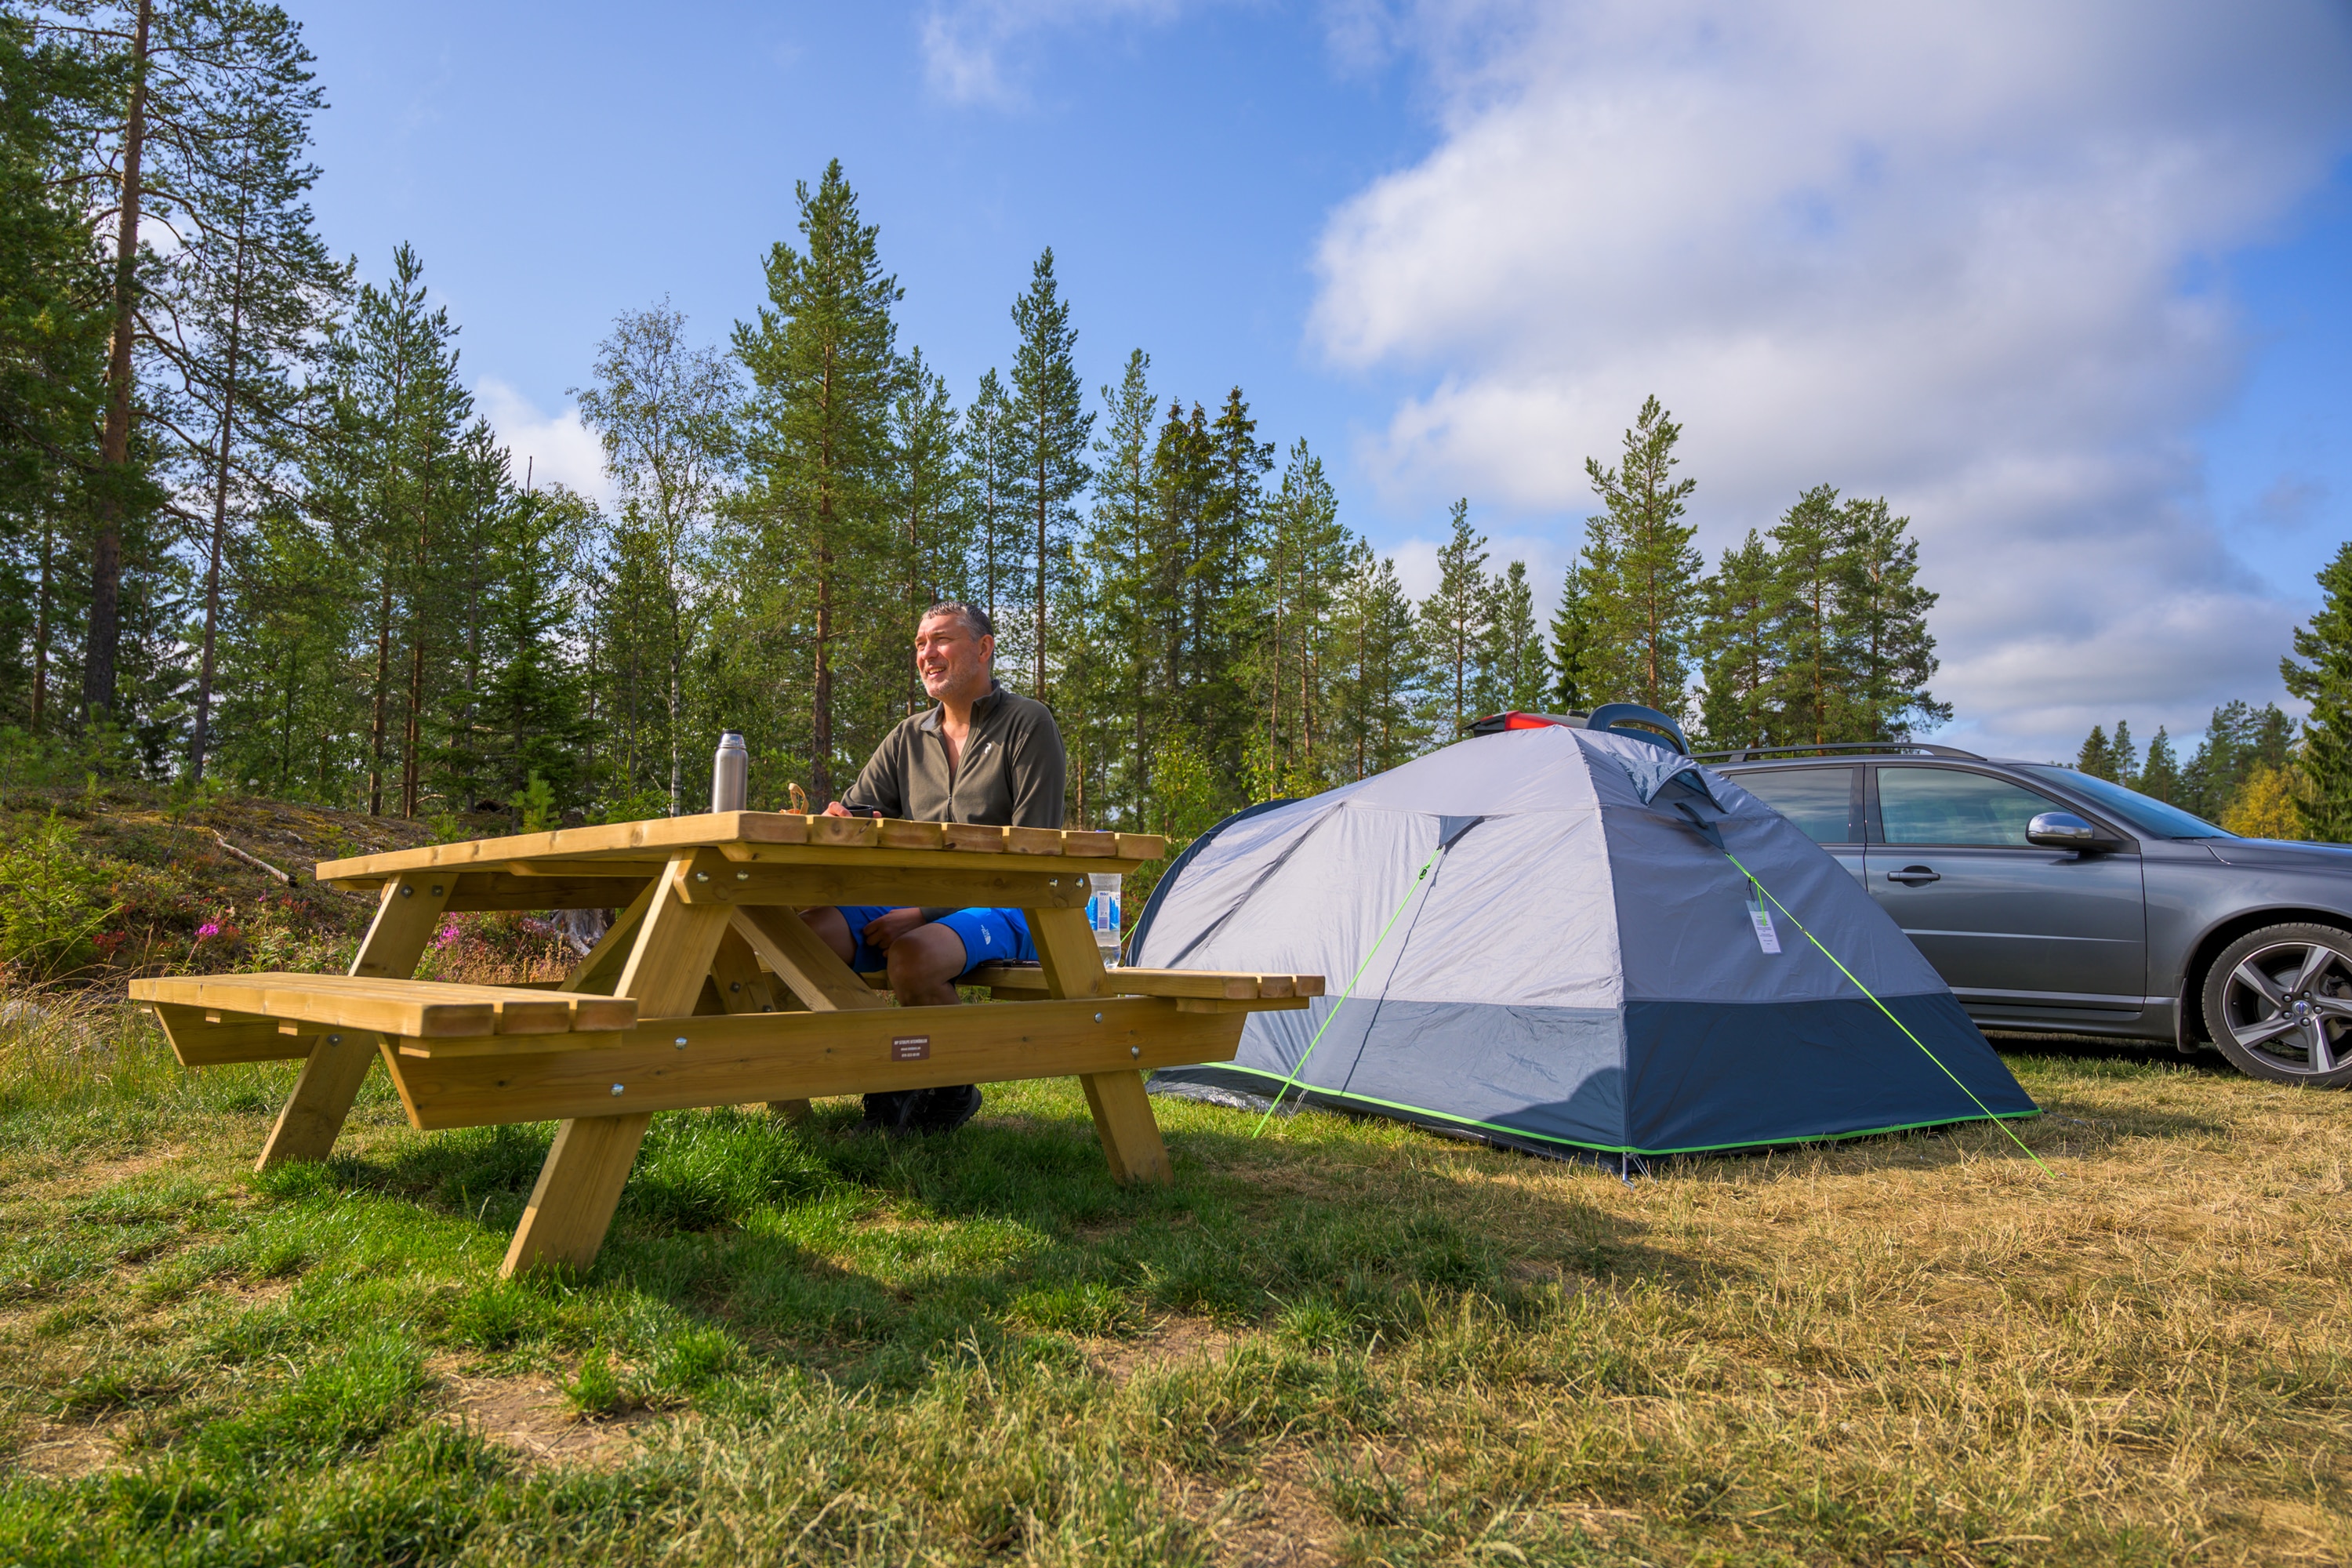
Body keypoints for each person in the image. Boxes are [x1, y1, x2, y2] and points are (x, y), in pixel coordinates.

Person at [801, 600, 1065, 1134]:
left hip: (1014, 904)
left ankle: (948, 1090)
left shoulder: (1027, 724)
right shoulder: (908, 736)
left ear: (984, 648)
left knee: (913, 957)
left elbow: (1033, 851)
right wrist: (840, 816)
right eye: (921, 644)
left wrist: (923, 912)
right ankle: (892, 1070)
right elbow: (860, 807)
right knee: (809, 933)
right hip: (916, 903)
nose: (927, 654)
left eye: (941, 640)